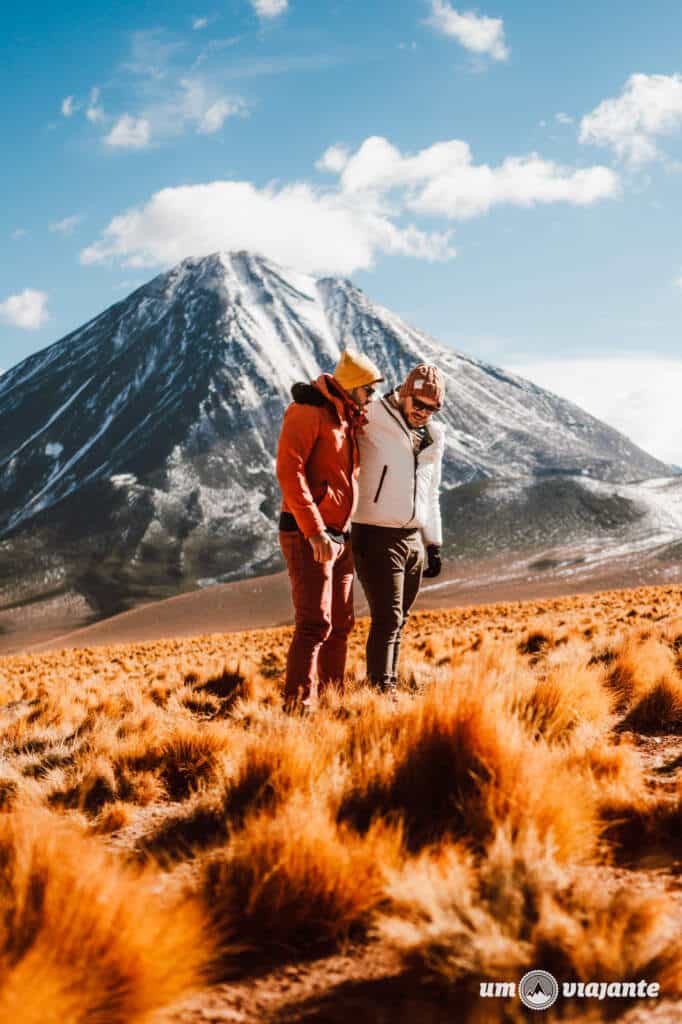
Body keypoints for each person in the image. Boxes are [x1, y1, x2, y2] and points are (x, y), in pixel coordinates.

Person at [276, 349, 384, 710]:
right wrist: (315, 531)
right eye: (368, 391)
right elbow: (289, 472)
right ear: (352, 387)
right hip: (310, 534)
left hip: (340, 534)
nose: (372, 399)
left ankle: (333, 703)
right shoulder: (307, 413)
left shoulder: (346, 420)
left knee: (341, 624)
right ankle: (298, 710)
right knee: (314, 624)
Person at [352, 363, 445, 694]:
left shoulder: (435, 437)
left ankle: (386, 688)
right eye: (417, 403)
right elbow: (340, 407)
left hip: (413, 539)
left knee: (399, 620)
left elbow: (431, 493)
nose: (422, 412)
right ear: (405, 394)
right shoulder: (373, 413)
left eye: (431, 408)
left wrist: (433, 543)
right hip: (374, 532)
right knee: (387, 618)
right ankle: (381, 692)